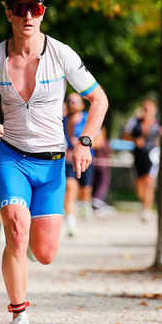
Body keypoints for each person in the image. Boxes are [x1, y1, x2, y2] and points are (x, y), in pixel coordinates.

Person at [0, 0, 108, 324]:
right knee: (15, 230)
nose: (28, 15)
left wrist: (85, 141)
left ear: (42, 13)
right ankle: (18, 317)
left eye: (35, 9)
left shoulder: (61, 55)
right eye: (21, 8)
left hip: (53, 163)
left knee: (44, 253)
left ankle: (22, 251)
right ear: (8, 13)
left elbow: (98, 100)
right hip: (12, 157)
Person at [63, 92, 97, 237]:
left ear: (82, 105)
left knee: (85, 192)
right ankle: (71, 225)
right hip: (68, 160)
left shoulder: (87, 119)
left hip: (85, 160)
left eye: (75, 101)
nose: (72, 103)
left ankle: (85, 203)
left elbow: (100, 140)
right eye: (70, 101)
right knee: (70, 188)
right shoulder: (62, 120)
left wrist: (83, 143)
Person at [122, 96, 160, 222]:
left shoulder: (158, 123)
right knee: (139, 185)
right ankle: (144, 203)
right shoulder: (135, 121)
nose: (146, 110)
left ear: (155, 109)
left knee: (149, 182)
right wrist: (134, 139)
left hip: (153, 155)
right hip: (138, 155)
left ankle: (147, 209)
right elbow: (125, 135)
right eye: (144, 107)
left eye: (149, 108)